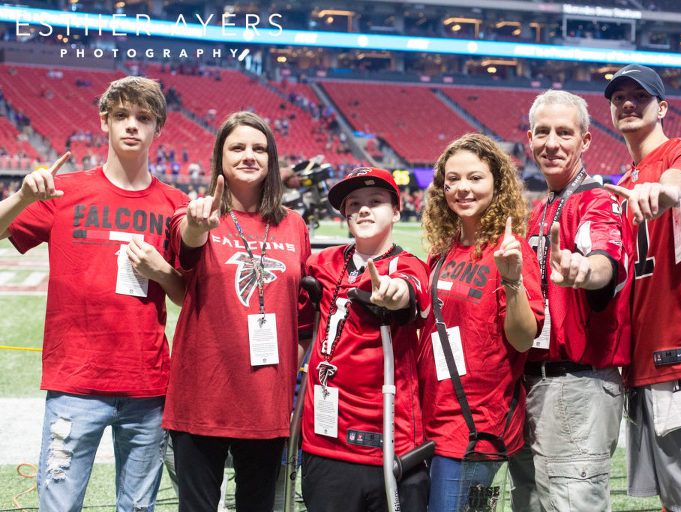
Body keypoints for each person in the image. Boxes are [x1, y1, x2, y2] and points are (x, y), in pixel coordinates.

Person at [0, 76, 188, 511]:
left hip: (148, 385)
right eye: (121, 115)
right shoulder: (64, 191)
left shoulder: (174, 202)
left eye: (143, 118)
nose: (131, 126)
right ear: (104, 121)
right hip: (75, 382)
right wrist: (23, 196)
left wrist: (161, 272)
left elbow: (184, 295)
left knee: (138, 508)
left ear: (158, 128)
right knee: (59, 506)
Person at [161, 111, 311, 512]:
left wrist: (282, 375)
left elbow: (305, 315)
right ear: (220, 157)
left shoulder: (294, 225)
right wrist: (197, 225)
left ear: (272, 159)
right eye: (238, 147)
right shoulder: (195, 212)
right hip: (202, 396)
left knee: (258, 505)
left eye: (259, 148)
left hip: (265, 401)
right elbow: (185, 243)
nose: (249, 155)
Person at [603, 64, 681, 510]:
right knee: (675, 502)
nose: (627, 103)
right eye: (618, 97)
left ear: (663, 108)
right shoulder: (623, 183)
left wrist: (663, 190)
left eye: (639, 95)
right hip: (644, 367)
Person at [508, 90, 633, 511]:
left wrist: (587, 271)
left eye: (565, 132)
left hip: (577, 384)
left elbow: (604, 260)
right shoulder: (542, 207)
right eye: (543, 132)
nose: (552, 143)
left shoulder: (598, 200)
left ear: (586, 141)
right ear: (529, 139)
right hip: (536, 383)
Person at [418, 133, 545, 512]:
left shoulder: (511, 251)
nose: (462, 188)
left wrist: (512, 280)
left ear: (497, 183)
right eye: (452, 179)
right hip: (430, 420)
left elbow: (523, 340)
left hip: (476, 427)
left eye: (475, 177)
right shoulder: (442, 252)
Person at [300, 167, 431, 512]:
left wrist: (393, 293)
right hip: (325, 443)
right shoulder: (322, 263)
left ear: (397, 211)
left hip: (388, 443)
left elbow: (410, 290)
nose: (363, 210)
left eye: (375, 201)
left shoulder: (407, 264)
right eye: (354, 204)